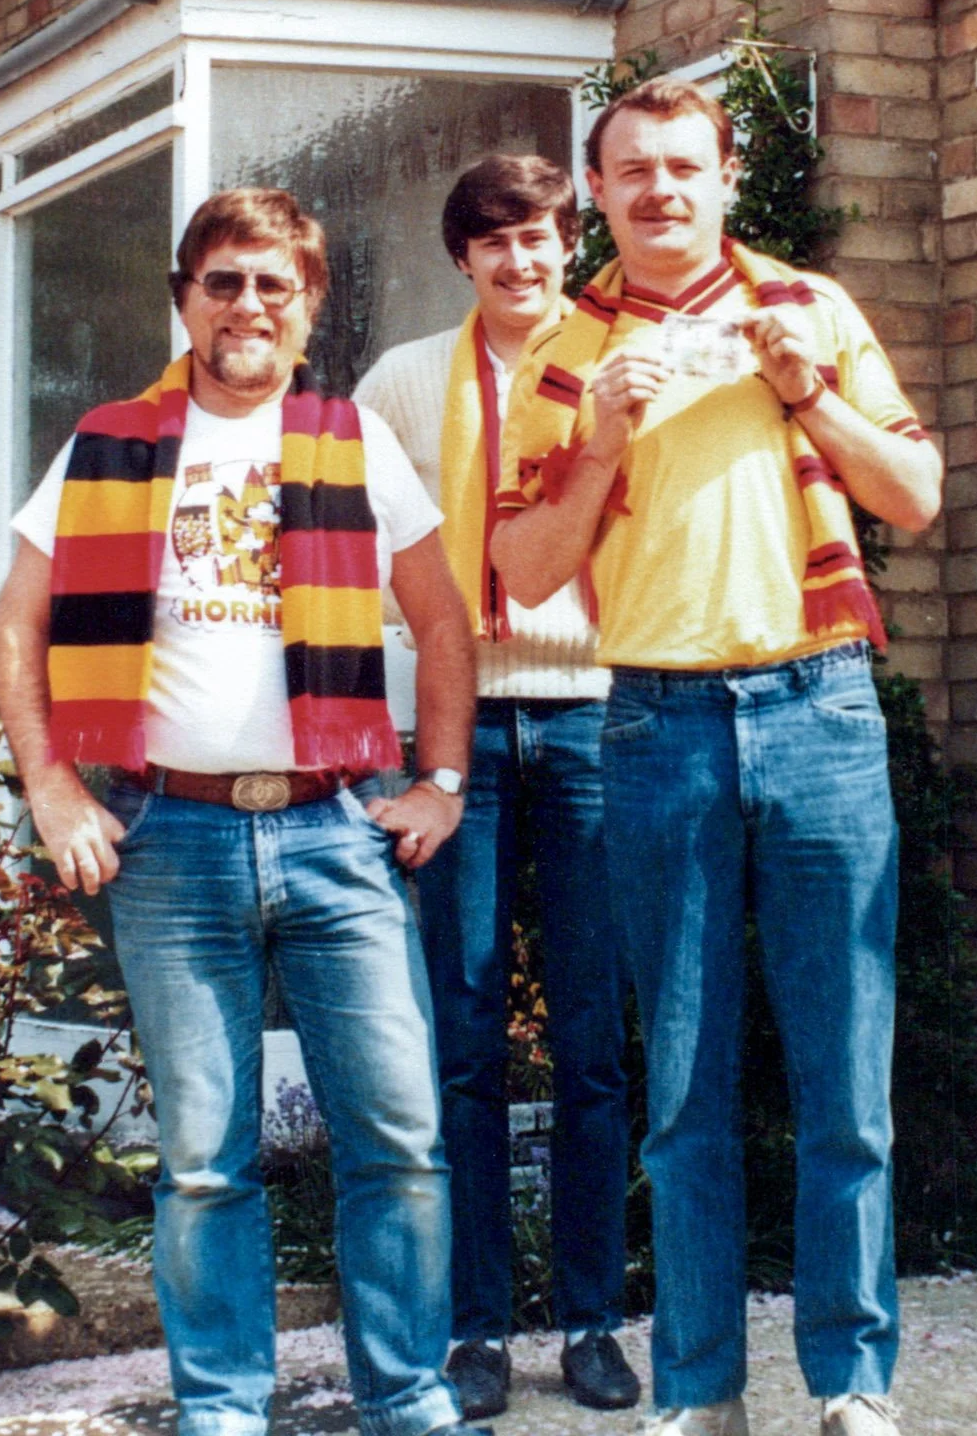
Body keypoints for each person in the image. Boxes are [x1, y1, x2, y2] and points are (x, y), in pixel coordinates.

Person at [0, 188, 482, 1436]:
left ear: (308, 307)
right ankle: (221, 1411)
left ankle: (407, 1399)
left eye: (273, 283)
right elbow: (15, 622)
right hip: (171, 838)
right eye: (223, 281)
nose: (247, 303)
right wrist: (50, 783)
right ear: (184, 299)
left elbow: (439, 621)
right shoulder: (105, 441)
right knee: (205, 1163)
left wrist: (441, 779)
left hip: (336, 828)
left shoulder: (352, 440)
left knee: (401, 1142)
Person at [491, 84, 943, 1436]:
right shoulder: (565, 349)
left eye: (685, 168)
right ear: (598, 189)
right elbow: (518, 570)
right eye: (632, 172)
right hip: (656, 722)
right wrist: (604, 441)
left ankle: (854, 1385)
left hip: (821, 709)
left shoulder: (812, 309)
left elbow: (914, 496)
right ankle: (698, 1392)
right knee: (682, 1090)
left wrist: (808, 395)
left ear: (727, 179)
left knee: (845, 1080)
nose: (660, 192)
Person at [355, 154, 637, 1422]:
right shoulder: (406, 381)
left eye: (541, 238)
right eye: (497, 243)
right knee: (461, 1036)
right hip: (454, 731)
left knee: (588, 1037)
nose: (522, 262)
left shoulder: (622, 357)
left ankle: (589, 1318)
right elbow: (357, 555)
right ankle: (473, 1331)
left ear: (566, 243)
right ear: (460, 257)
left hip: (590, 719)